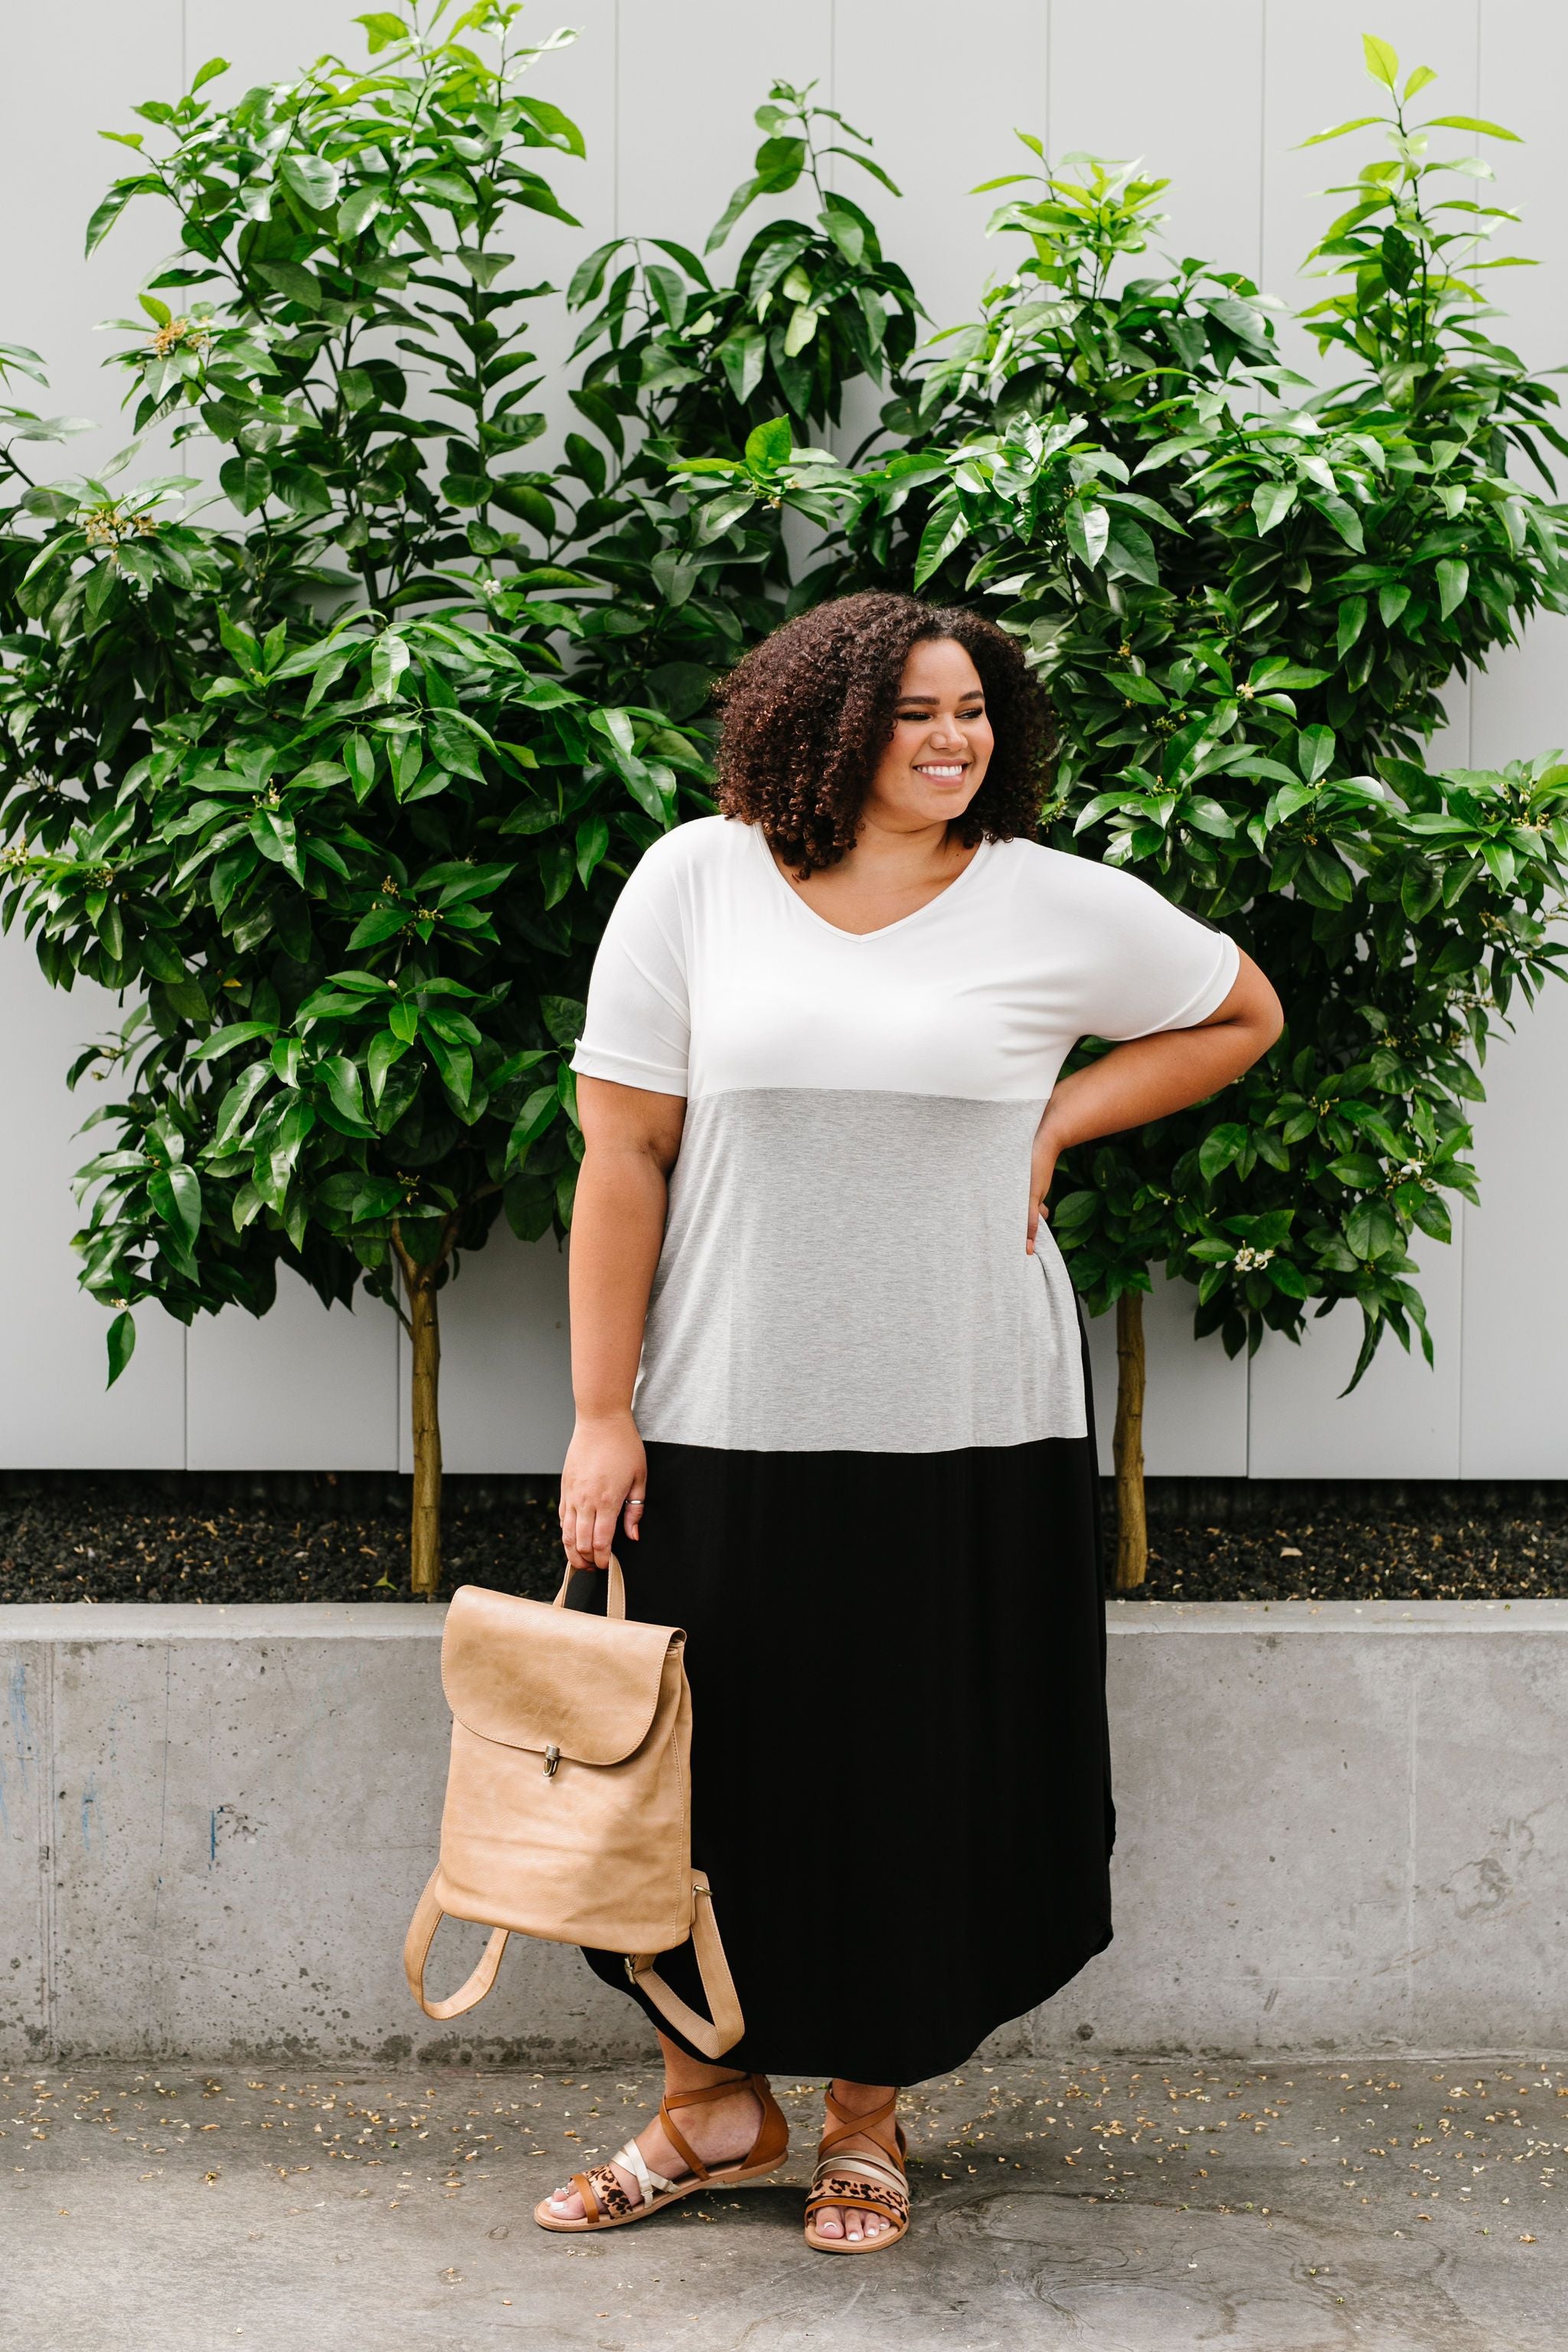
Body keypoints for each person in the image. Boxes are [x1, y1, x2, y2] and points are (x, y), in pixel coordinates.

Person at [536, 590, 1282, 2251]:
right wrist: (603, 1412)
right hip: (725, 1412)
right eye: (912, 714)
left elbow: (1241, 1014)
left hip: (969, 1424)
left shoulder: (1049, 903)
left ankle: (866, 2124)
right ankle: (704, 2109)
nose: (954, 742)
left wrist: (1061, 1115)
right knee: (695, 1779)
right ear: (824, 726)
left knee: (913, 1775)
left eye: (973, 712)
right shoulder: (699, 880)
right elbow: (623, 1154)